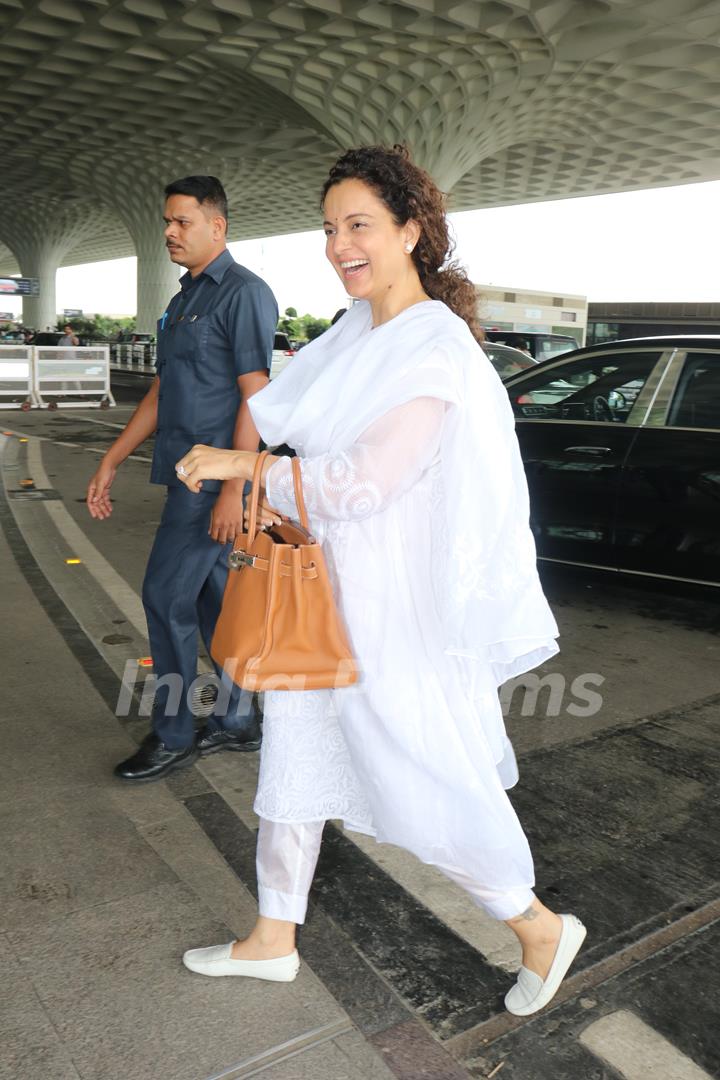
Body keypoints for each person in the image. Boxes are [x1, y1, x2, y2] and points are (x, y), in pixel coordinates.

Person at [174, 147, 586, 1015]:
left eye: (359, 225)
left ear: (412, 229)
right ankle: (272, 936)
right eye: (329, 229)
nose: (339, 245)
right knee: (294, 757)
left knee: (422, 776)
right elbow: (309, 435)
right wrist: (259, 465)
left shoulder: (434, 349)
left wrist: (241, 466)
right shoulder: (359, 331)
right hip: (326, 593)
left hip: (394, 611)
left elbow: (362, 482)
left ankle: (538, 926)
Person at [86, 175, 278, 782]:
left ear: (216, 226)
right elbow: (162, 391)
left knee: (165, 597)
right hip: (182, 475)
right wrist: (113, 457)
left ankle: (173, 734)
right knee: (214, 603)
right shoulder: (183, 299)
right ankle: (239, 720)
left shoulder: (244, 294)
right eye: (166, 222)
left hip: (212, 483)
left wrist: (232, 490)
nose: (169, 232)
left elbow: (256, 396)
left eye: (182, 222)